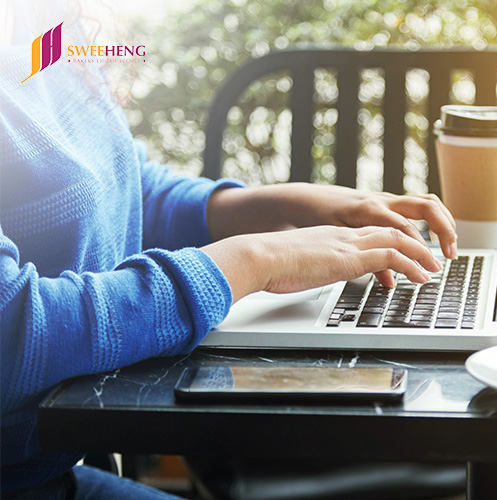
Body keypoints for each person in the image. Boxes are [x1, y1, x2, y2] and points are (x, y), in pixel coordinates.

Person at [0, 6, 458, 499]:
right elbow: (11, 331)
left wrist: (267, 204)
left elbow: (117, 188)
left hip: (46, 473)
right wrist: (256, 261)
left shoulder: (36, 33)